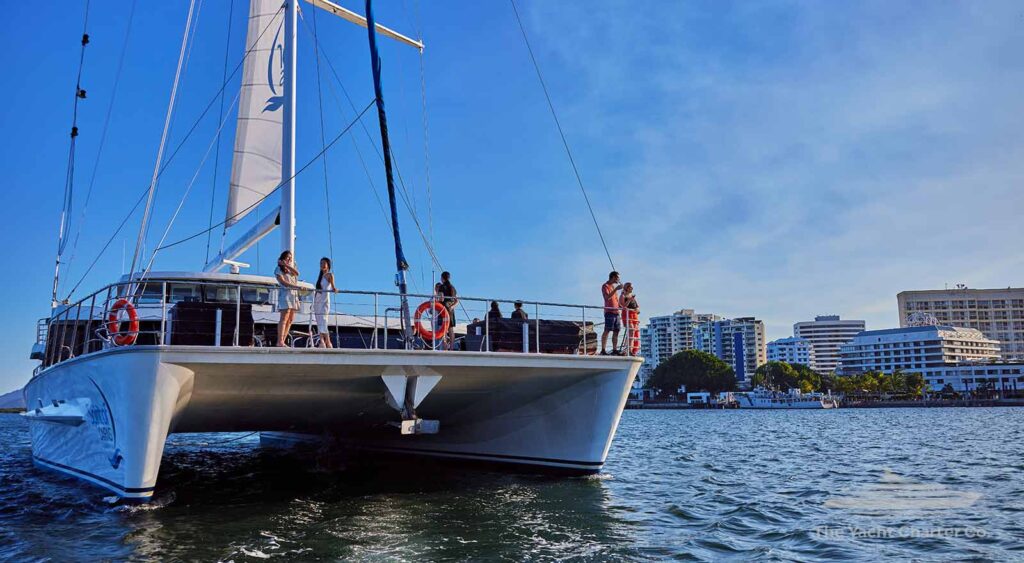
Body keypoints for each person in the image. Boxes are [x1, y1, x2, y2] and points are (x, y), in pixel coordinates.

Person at [275, 250, 302, 347]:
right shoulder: (278, 269)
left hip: (293, 295)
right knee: (284, 318)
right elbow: (282, 282)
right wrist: (296, 287)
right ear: (283, 258)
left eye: (290, 258)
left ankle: (283, 340)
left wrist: (288, 265)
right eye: (288, 257)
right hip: (285, 294)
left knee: (290, 319)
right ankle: (280, 340)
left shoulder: (290, 269)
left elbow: (297, 273)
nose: (289, 259)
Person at [313, 257, 338, 348]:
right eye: (321, 263)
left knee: (324, 320)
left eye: (324, 263)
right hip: (317, 301)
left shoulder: (329, 275)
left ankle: (328, 341)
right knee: (319, 321)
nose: (322, 265)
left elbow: (333, 286)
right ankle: (322, 341)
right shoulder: (320, 277)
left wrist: (335, 289)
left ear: (328, 265)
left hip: (325, 301)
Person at [601, 271, 622, 355]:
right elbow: (606, 298)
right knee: (607, 330)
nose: (619, 279)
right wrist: (616, 289)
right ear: (613, 277)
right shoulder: (605, 286)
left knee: (616, 331)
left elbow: (616, 300)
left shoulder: (613, 287)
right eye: (617, 277)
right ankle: (603, 350)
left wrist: (621, 306)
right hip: (609, 311)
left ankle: (614, 350)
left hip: (616, 312)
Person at [438, 271, 458, 349]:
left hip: (443, 309)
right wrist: (451, 306)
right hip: (450, 310)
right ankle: (452, 348)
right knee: (451, 329)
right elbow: (456, 300)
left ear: (442, 278)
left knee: (444, 329)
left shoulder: (441, 287)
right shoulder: (452, 287)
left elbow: (441, 298)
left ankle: (445, 347)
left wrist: (437, 297)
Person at [619, 282, 640, 354]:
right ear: (627, 287)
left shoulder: (632, 297)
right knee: (631, 331)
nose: (632, 288)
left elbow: (637, 307)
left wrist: (637, 310)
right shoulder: (623, 295)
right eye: (631, 287)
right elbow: (623, 306)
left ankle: (631, 349)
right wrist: (629, 299)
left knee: (634, 333)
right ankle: (628, 349)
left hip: (634, 316)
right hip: (627, 315)